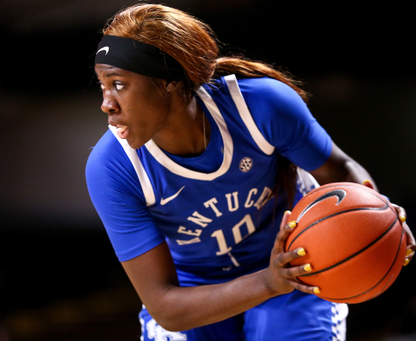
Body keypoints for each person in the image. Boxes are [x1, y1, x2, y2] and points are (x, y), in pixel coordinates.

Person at [85, 3, 415, 340]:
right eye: (103, 85)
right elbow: (165, 306)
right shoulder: (112, 167)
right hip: (194, 289)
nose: (106, 103)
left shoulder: (260, 107)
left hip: (297, 261)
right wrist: (265, 282)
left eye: (119, 84)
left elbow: (340, 169)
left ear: (169, 80)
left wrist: (380, 213)